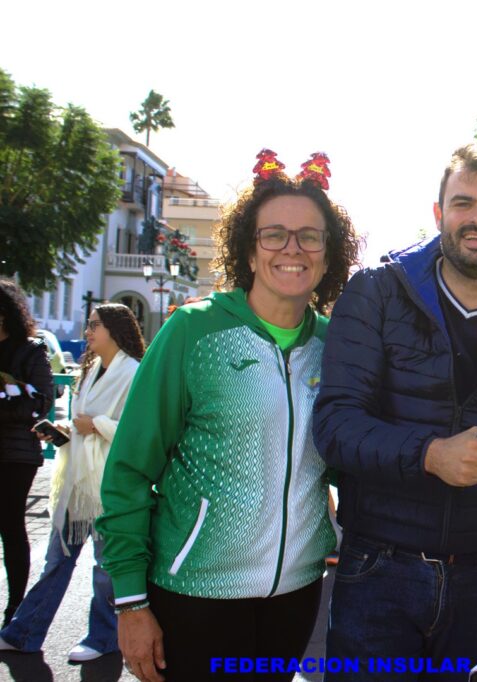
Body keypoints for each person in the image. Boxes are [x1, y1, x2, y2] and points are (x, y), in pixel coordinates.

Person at [314, 143, 477, 680]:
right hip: (375, 571)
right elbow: (335, 424)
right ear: (439, 213)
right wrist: (430, 455)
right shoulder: (375, 294)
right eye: (464, 203)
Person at [96, 150, 360, 682]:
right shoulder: (193, 332)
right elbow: (128, 469)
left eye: (311, 236)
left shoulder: (338, 347)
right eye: (274, 234)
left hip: (296, 593)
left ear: (329, 256)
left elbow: (343, 460)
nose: (293, 248)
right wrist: (129, 601)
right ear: (248, 247)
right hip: (195, 592)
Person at [0, 303, 144, 662]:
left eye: (95, 325)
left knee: (105, 570)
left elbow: (136, 431)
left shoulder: (135, 372)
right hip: (78, 484)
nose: (88, 332)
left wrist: (94, 425)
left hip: (109, 486)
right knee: (57, 561)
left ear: (115, 328)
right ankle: (23, 634)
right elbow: (83, 423)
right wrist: (64, 432)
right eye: (88, 324)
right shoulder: (92, 369)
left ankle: (102, 639)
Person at [0, 280, 54, 629]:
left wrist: (6, 401)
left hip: (16, 454)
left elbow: (42, 405)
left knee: (10, 526)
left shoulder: (31, 351)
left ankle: (15, 606)